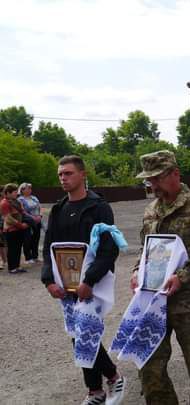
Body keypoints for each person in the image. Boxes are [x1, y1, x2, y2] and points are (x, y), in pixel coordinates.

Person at [131, 150, 190, 404]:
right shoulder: (151, 210)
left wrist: (182, 276)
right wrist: (138, 270)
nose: (152, 185)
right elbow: (146, 249)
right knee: (150, 371)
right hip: (154, 304)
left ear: (175, 174)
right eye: (148, 180)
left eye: (157, 178)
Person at [40, 156, 125, 405]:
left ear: (82, 174)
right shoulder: (58, 209)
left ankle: (111, 376)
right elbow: (48, 249)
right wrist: (48, 280)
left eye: (68, 173)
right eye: (60, 175)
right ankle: (96, 390)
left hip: (94, 283)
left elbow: (109, 249)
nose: (63, 178)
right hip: (66, 285)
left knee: (85, 331)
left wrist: (89, 280)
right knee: (79, 334)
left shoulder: (99, 207)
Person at [1, 183, 29, 274]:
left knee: (18, 248)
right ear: (8, 192)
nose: (16, 193)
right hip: (10, 230)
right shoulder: (4, 203)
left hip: (19, 230)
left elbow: (22, 212)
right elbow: (8, 218)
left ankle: (17, 266)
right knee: (12, 249)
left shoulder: (16, 201)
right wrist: (21, 225)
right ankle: (12, 268)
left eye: (16, 191)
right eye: (14, 192)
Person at [18, 182, 42, 264]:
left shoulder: (34, 198)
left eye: (30, 188)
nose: (29, 190)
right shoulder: (20, 199)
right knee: (27, 240)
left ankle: (35, 256)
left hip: (37, 220)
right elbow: (23, 211)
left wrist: (40, 215)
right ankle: (28, 257)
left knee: (36, 238)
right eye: (27, 188)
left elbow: (39, 206)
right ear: (22, 190)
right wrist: (32, 218)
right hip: (28, 221)